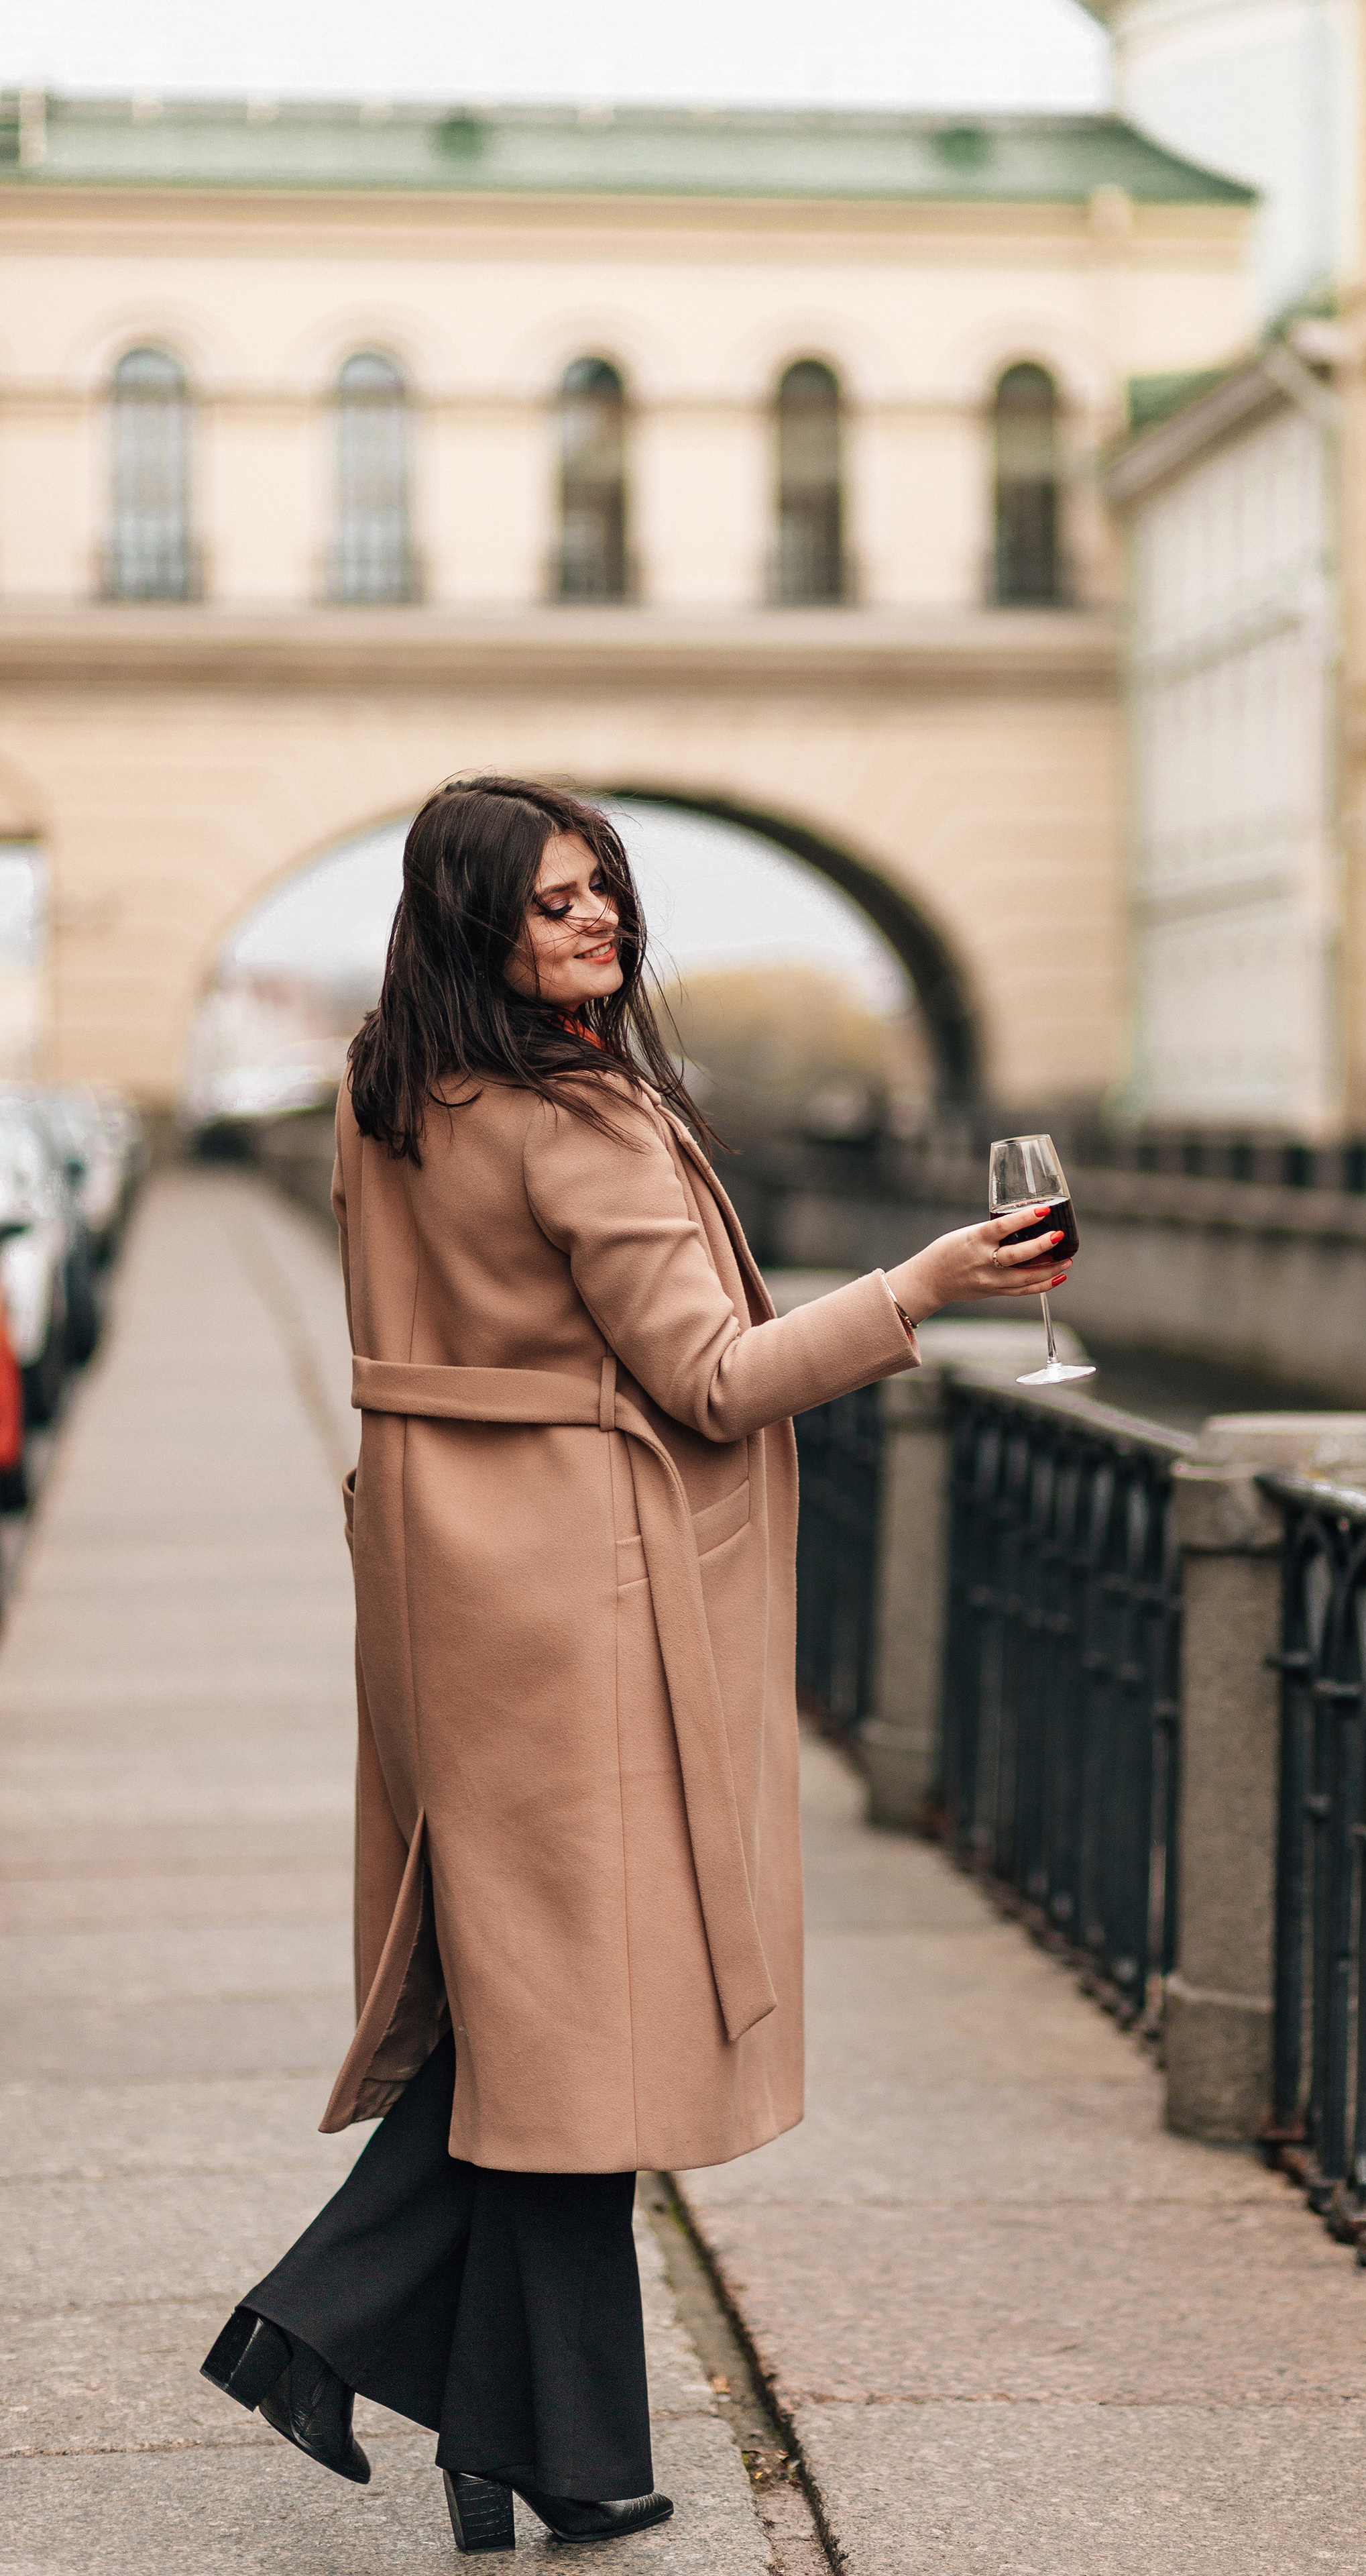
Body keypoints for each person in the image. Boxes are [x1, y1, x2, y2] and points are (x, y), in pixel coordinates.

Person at [200, 776, 1072, 2552]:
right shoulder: (572, 1111)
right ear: (480, 928)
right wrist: (920, 1288)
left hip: (449, 1576)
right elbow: (718, 1381)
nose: (596, 926)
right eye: (552, 905)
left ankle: (543, 2447)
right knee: (571, 2027)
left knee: (540, 2017)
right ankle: (320, 2316)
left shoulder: (388, 1089)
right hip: (588, 1595)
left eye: (602, 894)